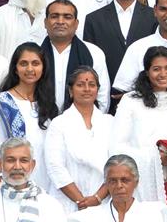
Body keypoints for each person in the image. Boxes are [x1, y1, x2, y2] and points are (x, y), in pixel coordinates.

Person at [112, 47, 167, 215]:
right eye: (156, 69)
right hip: (138, 186)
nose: (163, 74)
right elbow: (117, 146)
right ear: (147, 72)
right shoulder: (131, 101)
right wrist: (154, 158)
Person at [82, 0, 158, 107]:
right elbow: (90, 64)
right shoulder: (94, 19)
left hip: (145, 99)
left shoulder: (153, 18)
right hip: (106, 99)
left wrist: (137, 92)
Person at [0, 42, 57, 194]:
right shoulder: (2, 102)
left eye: (35, 63)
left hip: (48, 182)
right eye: (24, 64)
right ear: (15, 69)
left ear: (43, 68)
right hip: (13, 183)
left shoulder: (49, 103)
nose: (30, 69)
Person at [44, 66, 115, 213]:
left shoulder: (110, 122)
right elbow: (55, 167)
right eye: (80, 85)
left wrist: (97, 198)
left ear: (97, 90)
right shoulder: (59, 123)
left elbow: (116, 163)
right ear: (70, 91)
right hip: (66, 202)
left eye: (92, 85)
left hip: (103, 202)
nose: (87, 89)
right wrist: (80, 200)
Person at [40, 0, 110, 113]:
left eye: (67, 17)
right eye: (54, 16)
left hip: (81, 125)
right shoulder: (35, 54)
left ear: (76, 24)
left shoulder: (93, 53)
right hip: (40, 124)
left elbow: (102, 96)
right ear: (45, 22)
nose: (60, 21)